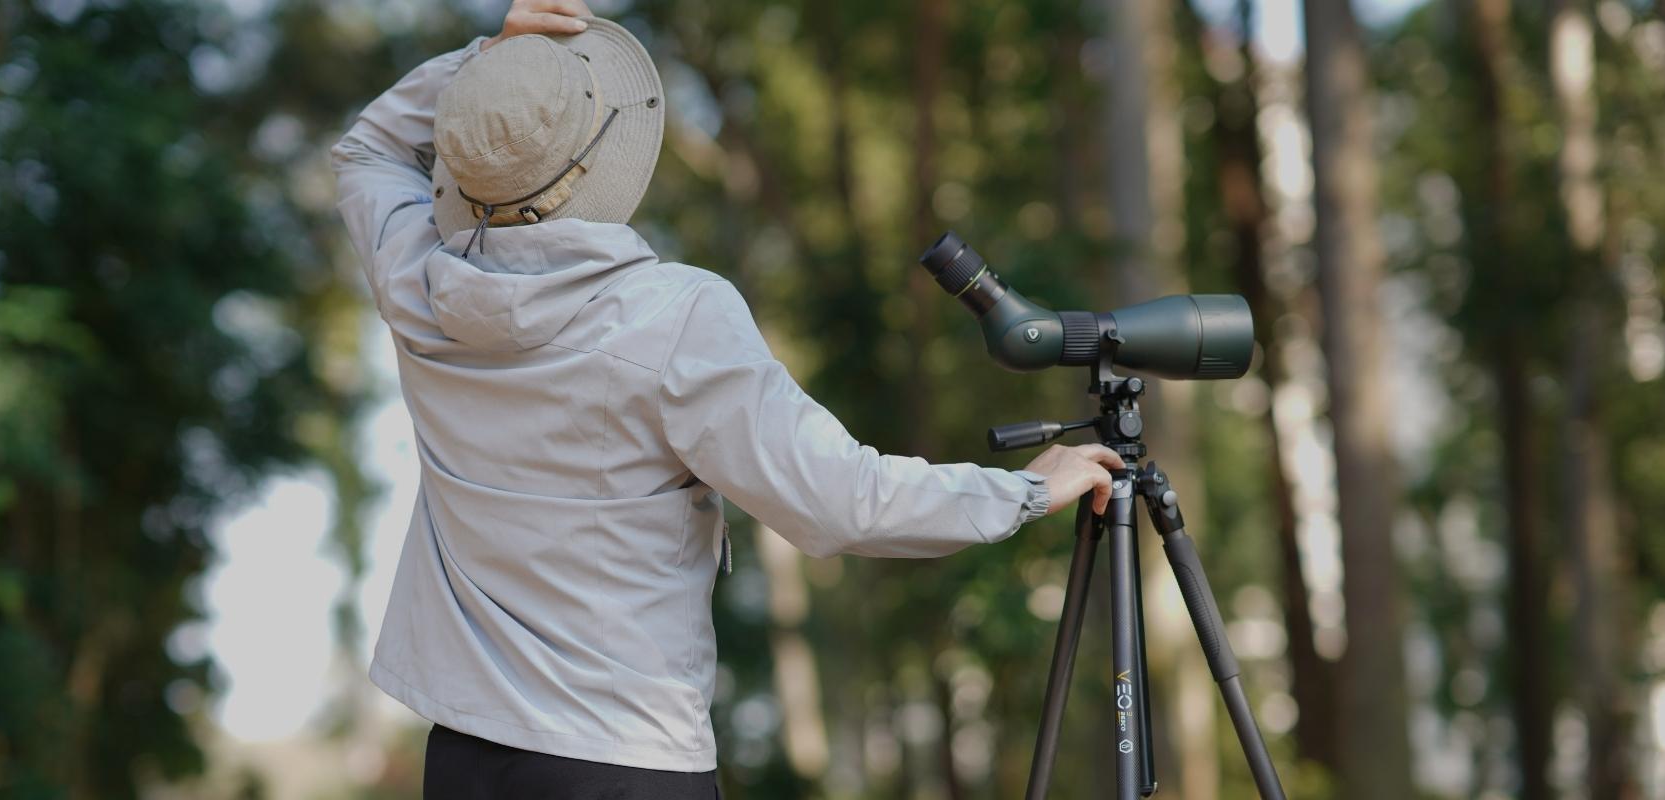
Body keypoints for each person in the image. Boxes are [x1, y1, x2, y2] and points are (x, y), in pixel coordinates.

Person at [331, 2, 1125, 797]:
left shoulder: (418, 287)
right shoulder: (673, 316)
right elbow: (840, 501)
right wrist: (1023, 490)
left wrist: (487, 67)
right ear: (598, 160)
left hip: (467, 761)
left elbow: (368, 147)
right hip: (625, 758)